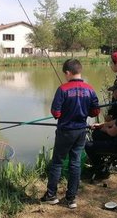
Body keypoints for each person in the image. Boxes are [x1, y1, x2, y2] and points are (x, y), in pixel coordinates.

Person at [40, 59, 100, 209]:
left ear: (68, 72)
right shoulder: (90, 89)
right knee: (75, 163)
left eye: (64, 74)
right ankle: (71, 198)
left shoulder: (62, 89)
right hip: (81, 131)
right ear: (79, 71)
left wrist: (65, 110)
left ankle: (51, 195)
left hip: (65, 132)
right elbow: (95, 111)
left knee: (57, 162)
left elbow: (56, 113)